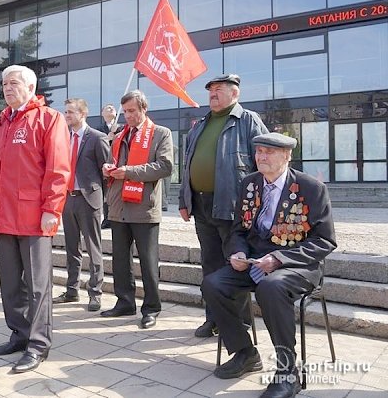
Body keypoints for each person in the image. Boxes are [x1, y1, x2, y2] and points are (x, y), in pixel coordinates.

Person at [202, 133, 337, 398]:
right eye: (259, 152)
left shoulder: (311, 188)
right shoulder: (250, 184)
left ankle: (288, 372)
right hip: (255, 260)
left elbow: (325, 241)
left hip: (297, 264)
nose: (262, 157)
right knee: (213, 283)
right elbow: (238, 229)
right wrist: (238, 252)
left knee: (271, 287)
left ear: (287, 156)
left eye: (270, 152)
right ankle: (245, 352)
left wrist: (279, 260)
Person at [0, 65, 71, 374]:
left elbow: (59, 169)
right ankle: (19, 333)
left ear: (31, 87)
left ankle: (39, 344)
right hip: (4, 218)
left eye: (14, 83)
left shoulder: (49, 119)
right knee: (10, 284)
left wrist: (51, 209)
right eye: (4, 83)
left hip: (34, 219)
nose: (7, 87)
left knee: (38, 286)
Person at [178, 74, 268, 338]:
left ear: (235, 94)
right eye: (210, 90)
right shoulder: (201, 123)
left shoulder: (248, 120)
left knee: (235, 265)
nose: (213, 94)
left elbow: (264, 161)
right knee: (210, 265)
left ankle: (240, 324)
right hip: (202, 205)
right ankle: (214, 319)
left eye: (219, 90)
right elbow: (188, 165)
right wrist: (185, 200)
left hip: (233, 207)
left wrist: (259, 204)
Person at [100, 90, 173, 329]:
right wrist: (109, 167)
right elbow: (118, 164)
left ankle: (151, 307)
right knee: (120, 260)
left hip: (144, 207)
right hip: (119, 205)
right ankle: (124, 302)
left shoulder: (161, 133)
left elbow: (164, 166)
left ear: (143, 109)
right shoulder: (120, 135)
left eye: (132, 111)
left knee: (147, 261)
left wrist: (129, 171)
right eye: (125, 112)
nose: (128, 116)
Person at [53, 98, 109, 311]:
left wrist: (101, 200)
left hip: (89, 199)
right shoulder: (63, 138)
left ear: (82, 114)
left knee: (93, 248)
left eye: (70, 112)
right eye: (65, 112)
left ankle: (95, 292)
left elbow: (106, 172)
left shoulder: (97, 138)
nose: (66, 116)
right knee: (71, 248)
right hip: (67, 199)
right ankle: (71, 290)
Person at [98, 104, 124, 229]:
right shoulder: (99, 130)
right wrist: (107, 138)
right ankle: (107, 218)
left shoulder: (122, 128)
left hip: (119, 163)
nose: (111, 108)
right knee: (106, 193)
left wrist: (116, 134)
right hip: (104, 164)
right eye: (107, 108)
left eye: (113, 107)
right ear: (102, 113)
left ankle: (118, 217)